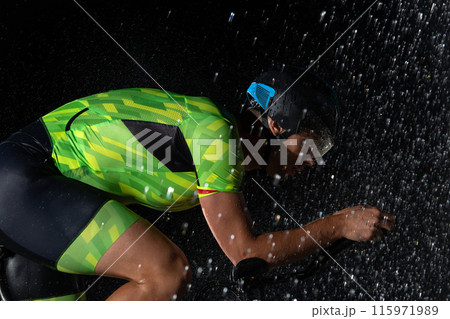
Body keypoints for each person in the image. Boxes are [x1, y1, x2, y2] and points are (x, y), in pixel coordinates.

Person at [0, 66, 394, 301]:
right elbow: (247, 254)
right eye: (314, 141)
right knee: (167, 272)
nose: (314, 157)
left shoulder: (221, 151)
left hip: (32, 207)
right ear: (278, 124)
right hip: (24, 178)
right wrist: (341, 223)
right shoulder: (215, 133)